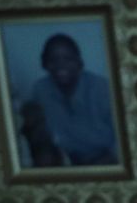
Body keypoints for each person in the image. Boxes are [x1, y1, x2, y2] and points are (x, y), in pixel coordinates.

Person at [17, 33, 119, 166]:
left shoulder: (102, 88)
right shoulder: (40, 89)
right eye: (53, 60)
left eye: (68, 59)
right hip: (67, 159)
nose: (61, 65)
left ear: (79, 62)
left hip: (104, 158)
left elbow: (123, 135)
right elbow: (28, 122)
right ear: (44, 64)